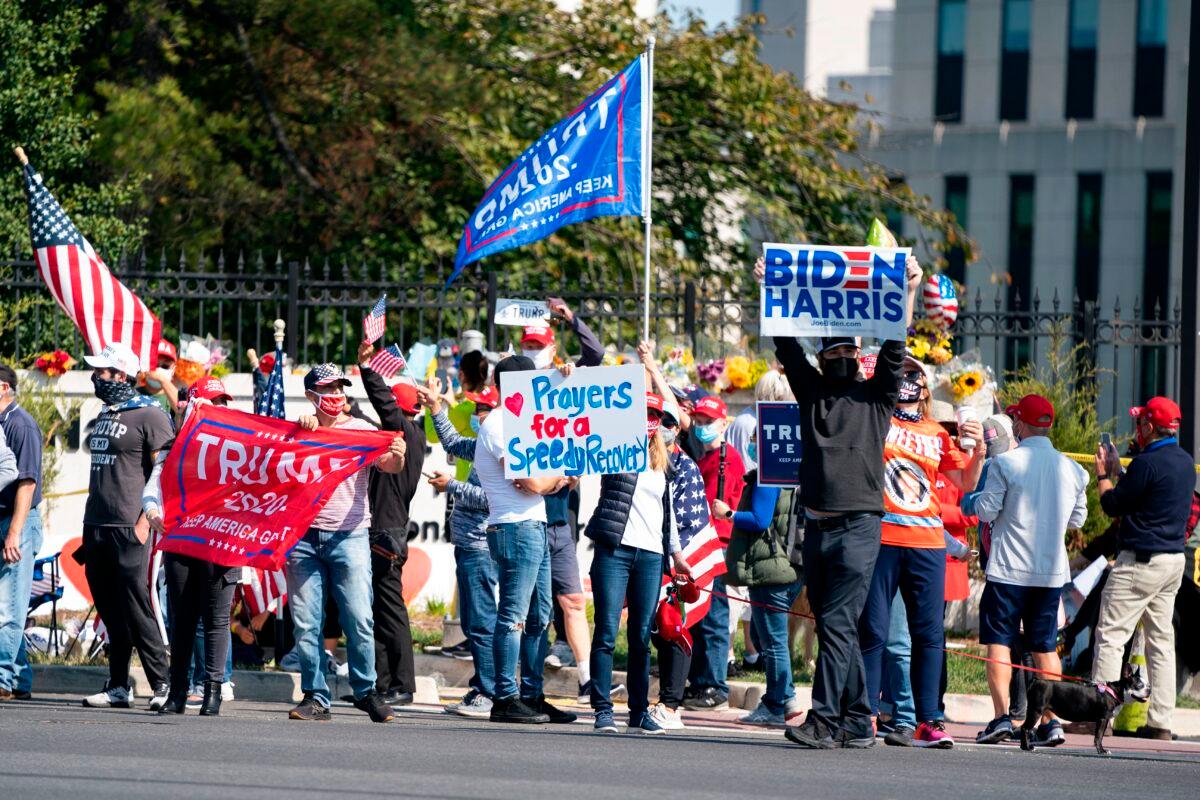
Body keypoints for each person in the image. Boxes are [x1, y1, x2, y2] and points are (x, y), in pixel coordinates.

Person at [757, 252, 923, 749]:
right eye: (835, 353)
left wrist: (908, 290)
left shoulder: (877, 397)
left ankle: (825, 721)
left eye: (850, 352)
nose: (844, 358)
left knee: (836, 624)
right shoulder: (812, 394)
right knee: (837, 626)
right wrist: (769, 288)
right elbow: (786, 345)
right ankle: (855, 719)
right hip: (817, 527)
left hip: (858, 527)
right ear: (824, 358)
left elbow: (895, 344)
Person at [860, 357, 983, 749]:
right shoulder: (876, 417)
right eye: (902, 374)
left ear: (925, 388)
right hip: (883, 539)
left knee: (928, 635)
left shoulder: (936, 432)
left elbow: (964, 480)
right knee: (874, 631)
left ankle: (928, 720)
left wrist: (978, 450)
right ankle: (865, 715)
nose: (907, 381)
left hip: (928, 542)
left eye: (914, 375)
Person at [286, 363, 408, 724]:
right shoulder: (298, 429)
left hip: (350, 534)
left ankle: (367, 691)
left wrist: (398, 452)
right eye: (328, 390)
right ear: (311, 396)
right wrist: (300, 430)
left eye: (340, 389)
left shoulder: (361, 430)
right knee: (306, 624)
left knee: (359, 619)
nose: (336, 396)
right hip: (303, 537)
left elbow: (389, 465)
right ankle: (315, 696)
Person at [972, 394, 1089, 746]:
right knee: (1045, 648)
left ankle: (1001, 717)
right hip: (1049, 572)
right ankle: (1051, 721)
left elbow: (987, 512)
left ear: (1020, 424)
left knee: (999, 643)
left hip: (1009, 569)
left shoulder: (1006, 464)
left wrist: (976, 500)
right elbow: (1077, 519)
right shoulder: (1074, 469)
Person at [473, 355, 576, 725]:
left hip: (534, 524)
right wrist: (558, 478)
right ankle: (505, 696)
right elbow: (532, 483)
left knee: (539, 616)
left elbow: (539, 477)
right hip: (515, 527)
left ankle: (532, 694)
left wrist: (552, 477)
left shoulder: (523, 422)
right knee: (514, 616)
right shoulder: (500, 423)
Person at [78, 342, 174, 710]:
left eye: (101, 371)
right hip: (97, 524)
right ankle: (119, 684)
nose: (95, 377)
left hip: (129, 526)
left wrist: (143, 522)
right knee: (109, 609)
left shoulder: (150, 414)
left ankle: (163, 684)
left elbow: (163, 472)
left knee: (137, 606)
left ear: (121, 375)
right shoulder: (106, 411)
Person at [1092, 396, 1194, 740]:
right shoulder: (1183, 461)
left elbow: (1113, 505)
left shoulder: (1146, 464)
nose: (1137, 429)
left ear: (1149, 427)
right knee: (1161, 641)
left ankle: (1099, 717)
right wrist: (1124, 474)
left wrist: (1105, 476)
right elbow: (1146, 493)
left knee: (1111, 636)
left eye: (1140, 423)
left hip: (1140, 562)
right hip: (1171, 563)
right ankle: (1161, 721)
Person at [588, 392, 689, 734]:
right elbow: (583, 434)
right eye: (643, 412)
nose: (649, 419)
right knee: (605, 631)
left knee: (641, 636)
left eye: (654, 414)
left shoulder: (663, 459)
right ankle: (602, 709)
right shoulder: (613, 447)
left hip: (650, 555)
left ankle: (638, 711)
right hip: (615, 550)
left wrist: (677, 555)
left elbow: (668, 514)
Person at [522, 298, 602, 700]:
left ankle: (588, 678)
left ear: (553, 348)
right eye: (528, 345)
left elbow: (597, 355)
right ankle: (523, 683)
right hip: (525, 519)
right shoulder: (513, 385)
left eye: (539, 345)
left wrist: (571, 318)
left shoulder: (565, 380)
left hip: (559, 522)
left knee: (572, 599)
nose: (533, 351)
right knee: (528, 611)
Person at [143, 378, 237, 716]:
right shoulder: (173, 446)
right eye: (214, 402)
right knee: (182, 619)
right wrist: (153, 510)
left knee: (216, 618)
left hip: (223, 543)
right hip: (182, 541)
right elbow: (153, 487)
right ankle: (178, 691)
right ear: (195, 406)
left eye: (225, 402)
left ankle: (212, 689)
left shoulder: (242, 446)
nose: (221, 408)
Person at [640, 346, 713, 732]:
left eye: (668, 419)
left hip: (686, 549)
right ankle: (663, 699)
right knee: (659, 629)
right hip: (660, 550)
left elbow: (678, 518)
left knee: (673, 625)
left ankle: (671, 705)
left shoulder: (684, 459)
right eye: (654, 419)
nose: (662, 424)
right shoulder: (647, 458)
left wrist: (652, 367)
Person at [422, 383, 500, 719]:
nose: (478, 415)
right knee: (471, 621)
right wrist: (436, 407)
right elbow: (453, 443)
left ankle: (489, 691)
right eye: (478, 409)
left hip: (482, 546)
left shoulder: (500, 451)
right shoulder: (483, 446)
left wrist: (450, 485)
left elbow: (489, 500)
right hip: (467, 544)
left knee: (482, 621)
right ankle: (484, 686)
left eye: (485, 410)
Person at [718, 431, 804, 727]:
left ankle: (774, 705)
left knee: (772, 642)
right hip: (788, 569)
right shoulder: (793, 472)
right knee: (769, 636)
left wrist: (727, 513)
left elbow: (760, 519)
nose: (752, 443)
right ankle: (788, 698)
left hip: (770, 571)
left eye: (756, 438)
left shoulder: (768, 476)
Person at [358, 342, 427, 708]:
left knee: (389, 608)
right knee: (380, 608)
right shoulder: (413, 435)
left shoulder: (400, 430)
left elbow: (383, 403)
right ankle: (385, 682)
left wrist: (367, 368)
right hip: (390, 529)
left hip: (385, 531)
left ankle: (401, 683)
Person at [682, 395, 746, 711]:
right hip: (700, 544)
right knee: (697, 616)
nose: (703, 427)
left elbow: (718, 507)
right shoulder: (706, 459)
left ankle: (714, 685)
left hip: (716, 544)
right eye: (699, 421)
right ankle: (700, 681)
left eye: (709, 422)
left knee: (714, 618)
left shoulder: (728, 459)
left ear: (723, 423)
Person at [0, 363, 33, 702]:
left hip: (17, 520)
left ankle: (3, 681)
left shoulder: (21, 425)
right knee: (7, 603)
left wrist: (14, 532)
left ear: (4, 388)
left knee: (9, 606)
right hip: (5, 518)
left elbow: (27, 481)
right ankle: (20, 678)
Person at [139, 339, 181, 414]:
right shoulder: (132, 394)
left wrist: (162, 379)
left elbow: (182, 411)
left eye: (165, 366)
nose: (158, 369)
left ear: (173, 370)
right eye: (155, 364)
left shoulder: (173, 399)